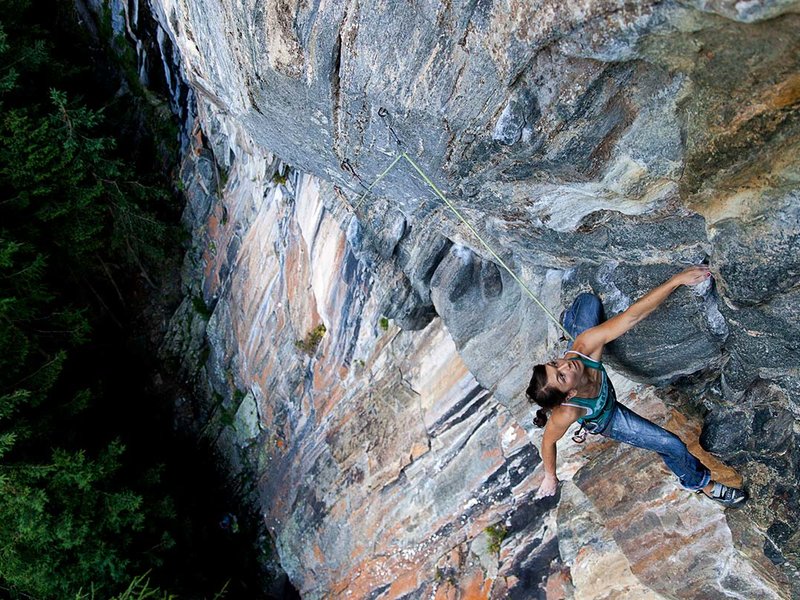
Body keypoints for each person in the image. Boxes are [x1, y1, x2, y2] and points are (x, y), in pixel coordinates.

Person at [527, 265, 747, 507]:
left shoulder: (582, 349)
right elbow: (548, 442)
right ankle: (705, 486)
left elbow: (632, 316)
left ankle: (569, 321)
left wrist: (676, 280)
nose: (566, 365)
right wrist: (550, 476)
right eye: (561, 377)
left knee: (589, 302)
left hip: (589, 360)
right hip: (607, 416)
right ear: (569, 393)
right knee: (670, 444)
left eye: (555, 364)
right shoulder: (567, 412)